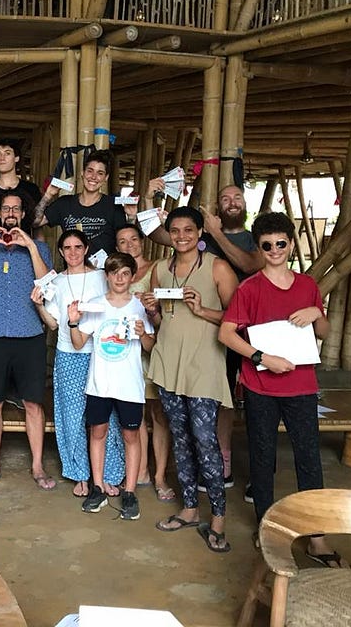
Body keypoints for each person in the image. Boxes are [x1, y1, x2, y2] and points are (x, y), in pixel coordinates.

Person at [218, 212, 345, 565]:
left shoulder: (308, 286)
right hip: (261, 384)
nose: (274, 249)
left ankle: (317, 536)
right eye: (266, 245)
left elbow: (323, 331)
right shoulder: (250, 289)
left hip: (302, 385)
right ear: (258, 248)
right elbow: (226, 334)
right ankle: (265, 525)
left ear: (291, 243)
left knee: (309, 458)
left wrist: (314, 313)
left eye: (280, 243)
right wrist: (262, 357)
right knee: (262, 457)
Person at [145, 207, 237, 553]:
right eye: (175, 230)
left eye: (188, 230)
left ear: (200, 232)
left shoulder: (217, 267)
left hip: (203, 365)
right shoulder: (160, 270)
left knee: (204, 440)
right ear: (168, 234)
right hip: (169, 361)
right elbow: (159, 320)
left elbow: (238, 318)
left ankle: (218, 518)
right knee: (179, 437)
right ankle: (188, 508)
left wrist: (202, 311)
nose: (181, 236)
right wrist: (152, 309)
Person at [0, 190, 55, 491]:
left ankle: (38, 466)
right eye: (6, 209)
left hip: (29, 335)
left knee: (33, 403)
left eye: (17, 208)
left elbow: (46, 281)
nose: (11, 213)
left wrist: (28, 244)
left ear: (23, 214)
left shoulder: (39, 248)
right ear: (0, 213)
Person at [33, 230, 122, 499]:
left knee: (106, 415)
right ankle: (79, 473)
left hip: (101, 354)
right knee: (70, 416)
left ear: (86, 249)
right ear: (60, 252)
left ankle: (109, 473)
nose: (72, 252)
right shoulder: (56, 282)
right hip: (68, 354)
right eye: (67, 248)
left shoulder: (100, 277)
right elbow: (52, 323)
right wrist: (38, 305)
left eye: (78, 247)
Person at [68, 252, 156, 520]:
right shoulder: (95, 305)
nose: (119, 278)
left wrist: (143, 334)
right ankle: (97, 488)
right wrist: (73, 320)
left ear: (132, 277)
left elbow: (151, 346)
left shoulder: (140, 307)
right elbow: (78, 342)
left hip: (129, 384)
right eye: (114, 273)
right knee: (98, 433)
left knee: (131, 436)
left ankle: (129, 492)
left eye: (125, 273)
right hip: (99, 384)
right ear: (106, 276)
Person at [202, 184, 263, 492]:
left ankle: (259, 474)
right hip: (218, 329)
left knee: (257, 403)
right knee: (221, 397)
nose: (232, 202)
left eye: (237, 197)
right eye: (224, 198)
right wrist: (146, 200)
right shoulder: (202, 236)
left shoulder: (256, 237)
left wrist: (217, 233)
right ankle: (222, 464)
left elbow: (249, 264)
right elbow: (162, 234)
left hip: (256, 331)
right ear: (217, 205)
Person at [116, 223, 174, 503]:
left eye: (133, 239)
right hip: (126, 355)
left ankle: (160, 475)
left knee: (159, 415)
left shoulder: (159, 269)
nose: (129, 245)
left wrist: (151, 308)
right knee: (134, 416)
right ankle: (140, 471)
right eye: (122, 241)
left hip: (152, 348)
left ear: (142, 240)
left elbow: (168, 311)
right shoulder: (116, 275)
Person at [33, 150, 129, 257]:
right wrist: (48, 195)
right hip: (73, 270)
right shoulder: (64, 203)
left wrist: (132, 216)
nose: (93, 177)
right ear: (82, 173)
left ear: (106, 178)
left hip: (105, 271)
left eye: (100, 173)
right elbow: (35, 222)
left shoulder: (114, 206)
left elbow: (125, 240)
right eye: (90, 171)